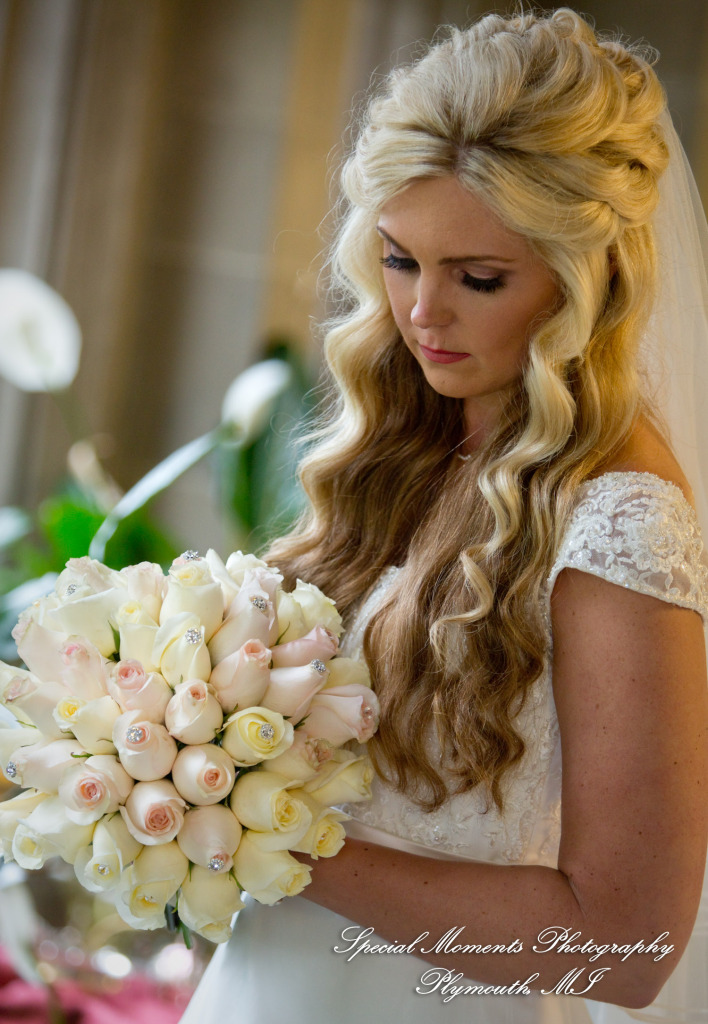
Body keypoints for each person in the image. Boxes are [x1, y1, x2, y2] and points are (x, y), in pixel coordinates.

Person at [180, 8, 708, 1023]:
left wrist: (275, 835)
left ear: (591, 274)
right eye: (397, 257)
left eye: (478, 278)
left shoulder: (620, 521)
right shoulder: (407, 444)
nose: (422, 312)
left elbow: (624, 947)